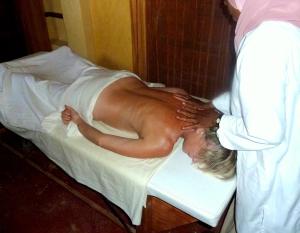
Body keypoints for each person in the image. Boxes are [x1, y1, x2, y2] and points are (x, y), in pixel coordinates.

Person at [0, 46, 236, 178]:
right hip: (92, 97)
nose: (193, 160)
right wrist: (80, 121)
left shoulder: (190, 103)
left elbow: (165, 90)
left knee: (67, 68)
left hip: (118, 78)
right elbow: (102, 139)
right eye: (200, 157)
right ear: (204, 135)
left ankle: (44, 59)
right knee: (33, 91)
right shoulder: (162, 143)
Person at [176, 0, 300, 232]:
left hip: (271, 180)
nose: (225, 5)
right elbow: (262, 96)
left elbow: (264, 132)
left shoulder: (262, 42)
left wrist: (218, 122)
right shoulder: (287, 30)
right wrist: (215, 107)